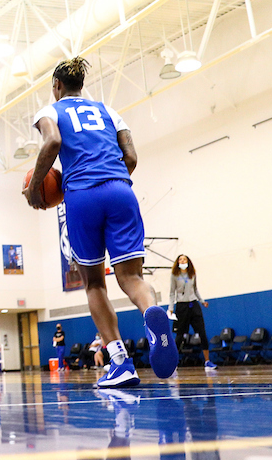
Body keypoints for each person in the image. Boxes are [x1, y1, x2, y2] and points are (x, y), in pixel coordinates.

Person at [23, 56, 177, 388]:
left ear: (57, 86)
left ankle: (121, 363)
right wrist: (113, 182)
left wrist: (35, 186)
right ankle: (152, 311)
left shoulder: (51, 111)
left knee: (94, 283)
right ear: (82, 85)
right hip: (121, 189)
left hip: (81, 196)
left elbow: (52, 142)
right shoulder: (108, 111)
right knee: (132, 277)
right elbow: (132, 157)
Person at [171, 254, 216, 370]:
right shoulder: (175, 275)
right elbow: (172, 292)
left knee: (202, 332)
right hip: (181, 306)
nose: (182, 261)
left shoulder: (192, 274)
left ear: (188, 261)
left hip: (193, 304)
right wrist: (171, 307)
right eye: (180, 259)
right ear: (178, 262)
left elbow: (195, 289)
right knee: (180, 335)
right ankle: (174, 363)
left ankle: (207, 362)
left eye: (184, 259)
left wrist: (202, 301)